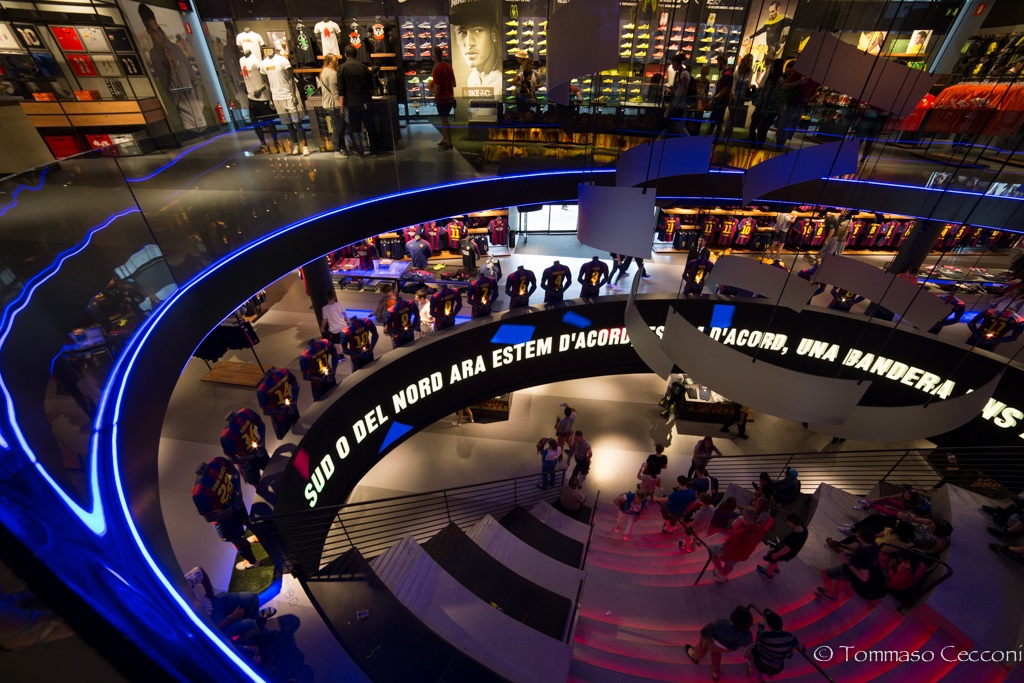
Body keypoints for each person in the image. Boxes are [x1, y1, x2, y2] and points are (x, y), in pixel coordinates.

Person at [138, 3, 208, 131]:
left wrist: (199, 102)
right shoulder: (155, 54)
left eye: (159, 30)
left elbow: (194, 79)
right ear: (149, 32)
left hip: (197, 108)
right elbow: (170, 93)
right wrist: (171, 68)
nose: (159, 35)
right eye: (154, 32)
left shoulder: (175, 48)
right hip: (185, 116)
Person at [192, 456, 260, 571]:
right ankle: (261, 537)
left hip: (225, 517)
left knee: (237, 540)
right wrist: (238, 494)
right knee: (247, 521)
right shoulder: (217, 462)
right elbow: (234, 472)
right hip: (234, 500)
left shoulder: (199, 491)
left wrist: (229, 510)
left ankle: (253, 562)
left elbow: (209, 517)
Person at [184, 566, 277, 644]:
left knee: (252, 598)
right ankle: (260, 634)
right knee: (250, 624)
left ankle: (257, 622)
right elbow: (205, 632)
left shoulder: (179, 582)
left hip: (212, 603)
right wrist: (232, 618)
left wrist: (209, 591)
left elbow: (199, 571)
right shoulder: (178, 615)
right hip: (212, 624)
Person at [260, 45, 310, 156]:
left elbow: (291, 79)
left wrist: (293, 95)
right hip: (277, 97)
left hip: (288, 95)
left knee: (297, 123)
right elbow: (266, 83)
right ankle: (295, 145)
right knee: (288, 124)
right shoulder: (263, 64)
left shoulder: (282, 60)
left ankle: (304, 146)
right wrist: (270, 98)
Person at [685, 606, 754, 681]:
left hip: (712, 642)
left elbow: (707, 630)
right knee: (716, 654)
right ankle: (715, 673)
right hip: (727, 648)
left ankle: (696, 657)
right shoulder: (747, 635)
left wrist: (704, 634)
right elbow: (748, 643)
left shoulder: (722, 625)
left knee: (702, 646)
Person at [817, 527, 887, 601]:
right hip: (851, 568)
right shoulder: (872, 545)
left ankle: (829, 592)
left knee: (825, 573)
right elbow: (858, 552)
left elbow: (863, 578)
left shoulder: (866, 557)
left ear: (861, 538)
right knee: (840, 578)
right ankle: (835, 594)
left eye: (858, 535)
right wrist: (847, 550)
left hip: (850, 571)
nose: (856, 535)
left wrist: (847, 562)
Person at [450, 0, 502, 95]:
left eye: (477, 30)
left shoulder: (503, 79)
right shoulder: (472, 78)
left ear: (493, 33)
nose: (469, 43)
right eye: (462, 32)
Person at [710, 506, 768, 583]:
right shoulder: (761, 529)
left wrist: (722, 557)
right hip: (744, 554)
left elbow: (732, 549)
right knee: (730, 565)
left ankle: (722, 575)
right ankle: (723, 575)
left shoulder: (741, 534)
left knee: (711, 550)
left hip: (730, 551)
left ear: (744, 517)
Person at [338, 44, 376, 157]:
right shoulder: (364, 67)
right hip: (366, 101)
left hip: (351, 103)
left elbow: (341, 90)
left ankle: (360, 152)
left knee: (355, 128)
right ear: (356, 54)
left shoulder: (342, 68)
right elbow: (371, 86)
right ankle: (374, 151)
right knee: (370, 127)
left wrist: (341, 106)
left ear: (345, 55)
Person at [746, 609, 799, 681]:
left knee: (751, 647)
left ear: (769, 627)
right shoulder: (790, 637)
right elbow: (790, 653)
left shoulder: (766, 636)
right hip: (777, 667)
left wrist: (761, 625)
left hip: (761, 663)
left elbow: (758, 640)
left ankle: (752, 668)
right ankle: (770, 675)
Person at [758, 513, 807, 580]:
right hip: (794, 551)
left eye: (788, 521)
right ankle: (775, 568)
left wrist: (775, 555)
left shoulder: (794, 537)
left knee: (772, 558)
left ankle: (768, 574)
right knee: (776, 557)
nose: (787, 522)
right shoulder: (805, 530)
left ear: (792, 523)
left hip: (787, 552)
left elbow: (786, 549)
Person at [747, 59, 785, 147]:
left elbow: (775, 97)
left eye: (772, 67)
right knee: (753, 126)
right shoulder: (770, 79)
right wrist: (758, 104)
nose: (771, 69)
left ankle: (758, 147)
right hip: (762, 106)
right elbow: (763, 92)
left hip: (771, 109)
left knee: (762, 129)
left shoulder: (779, 80)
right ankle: (754, 144)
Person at [745, 2, 793, 66]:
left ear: (778, 9)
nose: (770, 14)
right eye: (769, 12)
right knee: (761, 66)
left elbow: (794, 24)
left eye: (772, 11)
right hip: (768, 49)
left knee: (768, 66)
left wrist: (786, 36)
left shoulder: (783, 19)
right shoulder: (769, 22)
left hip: (775, 50)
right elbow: (761, 31)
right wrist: (750, 37)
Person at [320, 53, 347, 158]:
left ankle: (341, 148)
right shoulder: (331, 73)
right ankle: (338, 149)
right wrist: (340, 105)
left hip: (328, 103)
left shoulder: (323, 72)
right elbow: (335, 92)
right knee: (338, 127)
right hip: (333, 104)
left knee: (337, 126)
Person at [428, 46, 456, 150]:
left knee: (444, 121)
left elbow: (437, 90)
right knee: (445, 120)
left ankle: (449, 143)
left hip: (441, 100)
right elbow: (454, 84)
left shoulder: (436, 70)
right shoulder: (449, 67)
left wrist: (430, 88)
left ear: (433, 56)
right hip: (450, 98)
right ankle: (445, 140)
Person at [724, 53, 753, 140]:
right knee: (731, 119)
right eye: (748, 60)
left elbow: (748, 85)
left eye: (751, 61)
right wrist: (733, 96)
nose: (750, 62)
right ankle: (726, 137)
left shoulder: (750, 72)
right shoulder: (737, 73)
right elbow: (733, 86)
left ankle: (728, 137)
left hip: (742, 98)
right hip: (734, 97)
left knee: (734, 119)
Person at [706, 54, 733, 139]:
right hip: (721, 100)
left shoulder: (727, 74)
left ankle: (713, 138)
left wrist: (714, 98)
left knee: (717, 120)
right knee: (717, 120)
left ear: (721, 63)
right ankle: (712, 137)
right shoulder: (727, 72)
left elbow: (724, 90)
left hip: (721, 101)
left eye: (718, 63)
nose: (717, 65)